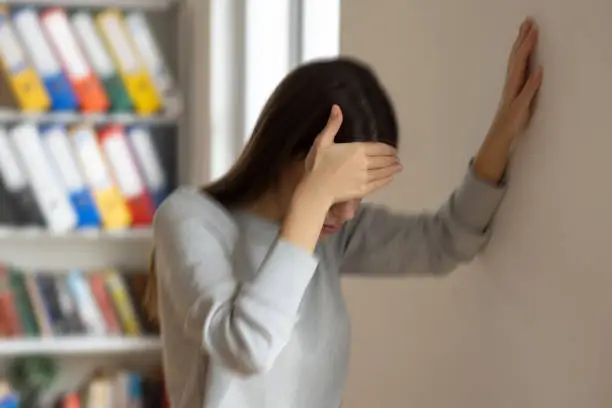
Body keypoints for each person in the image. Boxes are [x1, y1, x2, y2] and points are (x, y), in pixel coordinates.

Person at [144, 17, 542, 408]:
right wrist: (314, 198)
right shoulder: (191, 219)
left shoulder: (329, 235)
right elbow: (247, 347)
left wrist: (503, 131)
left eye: (359, 194)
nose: (349, 212)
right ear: (285, 152)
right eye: (337, 190)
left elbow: (446, 241)